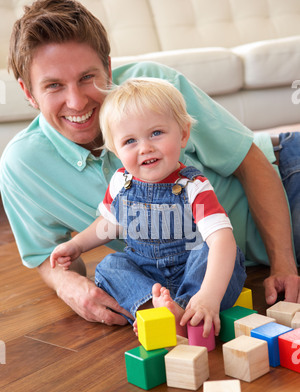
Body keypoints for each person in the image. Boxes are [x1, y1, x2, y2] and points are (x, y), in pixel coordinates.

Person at [0, 0, 299, 327]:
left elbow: (249, 160)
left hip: (285, 176)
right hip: (186, 273)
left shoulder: (157, 89)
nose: (76, 101)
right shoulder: (22, 166)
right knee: (110, 267)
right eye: (54, 85)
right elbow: (60, 249)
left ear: (108, 69)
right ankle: (164, 313)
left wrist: (283, 263)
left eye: (87, 77)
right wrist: (65, 276)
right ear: (28, 93)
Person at [50, 78, 247, 337]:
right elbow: (109, 224)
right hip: (146, 271)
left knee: (216, 252)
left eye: (156, 133)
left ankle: (189, 309)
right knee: (109, 266)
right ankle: (151, 309)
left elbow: (222, 239)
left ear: (183, 134)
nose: (145, 147)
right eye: (130, 141)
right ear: (116, 150)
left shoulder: (192, 186)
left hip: (190, 267)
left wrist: (209, 294)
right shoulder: (121, 181)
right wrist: (77, 245)